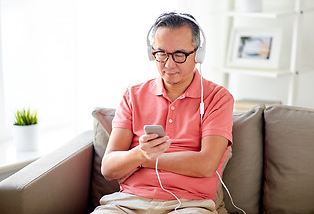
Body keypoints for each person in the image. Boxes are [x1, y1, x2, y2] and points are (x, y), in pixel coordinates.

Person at [93, 12, 234, 214]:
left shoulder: (218, 98)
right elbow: (108, 168)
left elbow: (206, 165)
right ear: (152, 53)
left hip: (189, 205)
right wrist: (140, 153)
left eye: (179, 54)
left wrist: (143, 160)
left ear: (198, 55)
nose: (169, 64)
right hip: (128, 202)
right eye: (161, 54)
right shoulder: (132, 96)